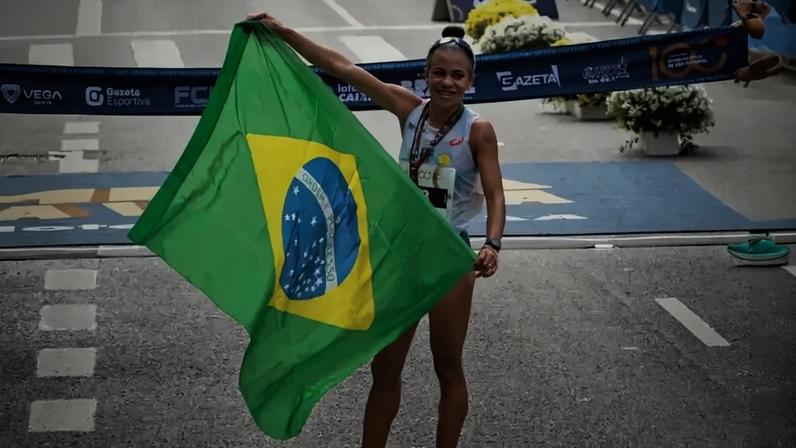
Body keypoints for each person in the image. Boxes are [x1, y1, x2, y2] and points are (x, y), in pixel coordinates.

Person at [247, 12, 507, 448]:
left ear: (471, 82)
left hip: (449, 260)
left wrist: (493, 243)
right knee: (385, 368)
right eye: (439, 73)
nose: (447, 82)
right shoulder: (409, 111)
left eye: (457, 76)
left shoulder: (479, 131)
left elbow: (496, 194)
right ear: (425, 77)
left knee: (448, 366)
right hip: (400, 258)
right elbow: (343, 67)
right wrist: (284, 32)